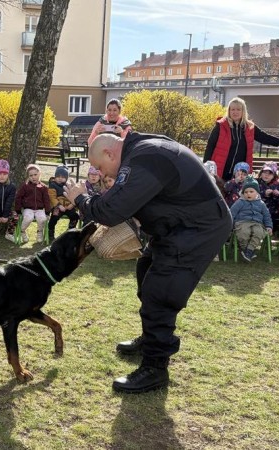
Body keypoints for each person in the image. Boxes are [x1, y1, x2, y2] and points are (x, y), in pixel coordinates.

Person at [65, 132, 231, 394]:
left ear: (110, 153)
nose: (98, 172)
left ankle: (155, 367)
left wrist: (80, 199)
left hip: (197, 230)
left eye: (98, 166)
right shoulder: (142, 151)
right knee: (146, 270)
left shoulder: (145, 158)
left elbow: (109, 211)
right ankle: (150, 338)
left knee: (161, 291)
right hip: (176, 226)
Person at [203, 97, 279, 180]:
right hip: (219, 170)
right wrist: (205, 167)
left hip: (239, 173)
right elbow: (210, 146)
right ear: (229, 111)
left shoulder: (249, 127)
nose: (235, 112)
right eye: (232, 109)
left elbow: (265, 138)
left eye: (238, 109)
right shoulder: (220, 126)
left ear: (243, 111)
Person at [229, 177, 273, 262]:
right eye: (246, 192)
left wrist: (269, 226)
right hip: (242, 222)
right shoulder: (240, 202)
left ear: (257, 192)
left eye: (251, 192)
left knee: (259, 232)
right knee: (244, 232)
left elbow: (266, 215)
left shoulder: (261, 203)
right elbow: (232, 213)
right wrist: (230, 224)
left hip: (257, 223)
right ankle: (246, 249)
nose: (248, 194)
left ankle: (249, 250)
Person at [14, 164, 51, 244]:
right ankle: (22, 231)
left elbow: (46, 200)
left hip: (40, 209)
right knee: (28, 218)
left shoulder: (43, 187)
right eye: (31, 175)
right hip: (28, 208)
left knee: (42, 218)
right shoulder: (25, 186)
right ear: (28, 176)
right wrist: (18, 209)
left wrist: (47, 212)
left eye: (35, 175)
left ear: (39, 174)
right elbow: (18, 197)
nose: (33, 177)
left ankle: (39, 232)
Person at [47, 166, 79, 241]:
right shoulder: (52, 185)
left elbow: (73, 196)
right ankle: (51, 232)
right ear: (55, 176)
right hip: (58, 206)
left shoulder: (69, 185)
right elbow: (52, 197)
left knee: (75, 216)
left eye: (63, 177)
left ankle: (70, 231)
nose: (60, 178)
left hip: (69, 206)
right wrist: (58, 205)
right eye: (58, 176)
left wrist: (72, 204)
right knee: (54, 217)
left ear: (66, 178)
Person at [257, 162, 279, 234]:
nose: (266, 175)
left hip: (272, 213)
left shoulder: (277, 186)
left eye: (270, 173)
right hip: (258, 211)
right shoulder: (256, 183)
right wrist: (264, 194)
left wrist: (278, 196)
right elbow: (251, 196)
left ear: (274, 175)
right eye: (265, 172)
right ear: (261, 173)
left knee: (277, 219)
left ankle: (275, 232)